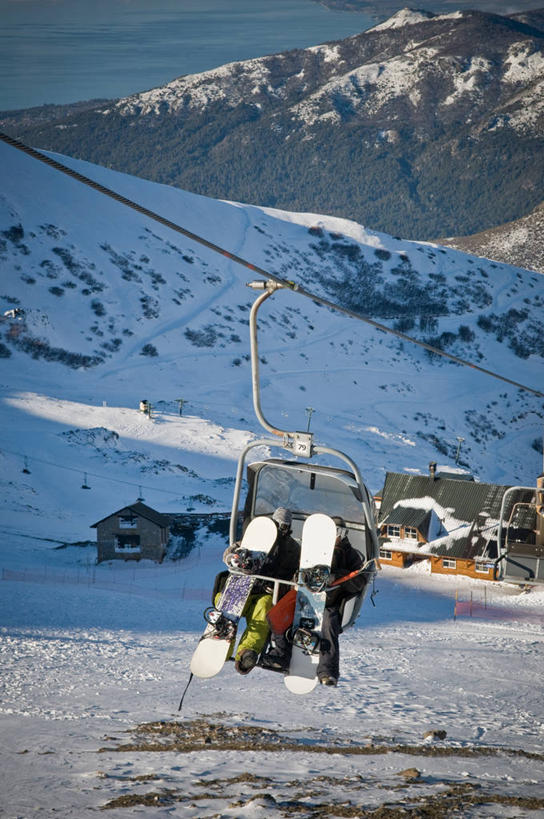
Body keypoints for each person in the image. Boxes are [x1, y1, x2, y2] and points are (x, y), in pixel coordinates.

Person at [266, 516, 367, 686]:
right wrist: (298, 579)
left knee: (329, 625)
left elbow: (359, 581)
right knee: (278, 615)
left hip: (329, 601)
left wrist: (336, 577)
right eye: (335, 532)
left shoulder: (350, 555)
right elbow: (297, 570)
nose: (338, 536)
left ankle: (328, 671)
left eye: (341, 532)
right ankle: (281, 654)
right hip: (305, 597)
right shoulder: (312, 551)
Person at [220, 507, 300, 675]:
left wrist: (291, 584)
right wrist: (233, 558)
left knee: (263, 613)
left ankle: (247, 653)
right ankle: (220, 643)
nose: (281, 529)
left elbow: (294, 573)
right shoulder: (258, 538)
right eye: (279, 524)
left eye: (284, 526)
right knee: (230, 608)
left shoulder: (293, 548)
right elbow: (231, 552)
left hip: (267, 591)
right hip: (243, 585)